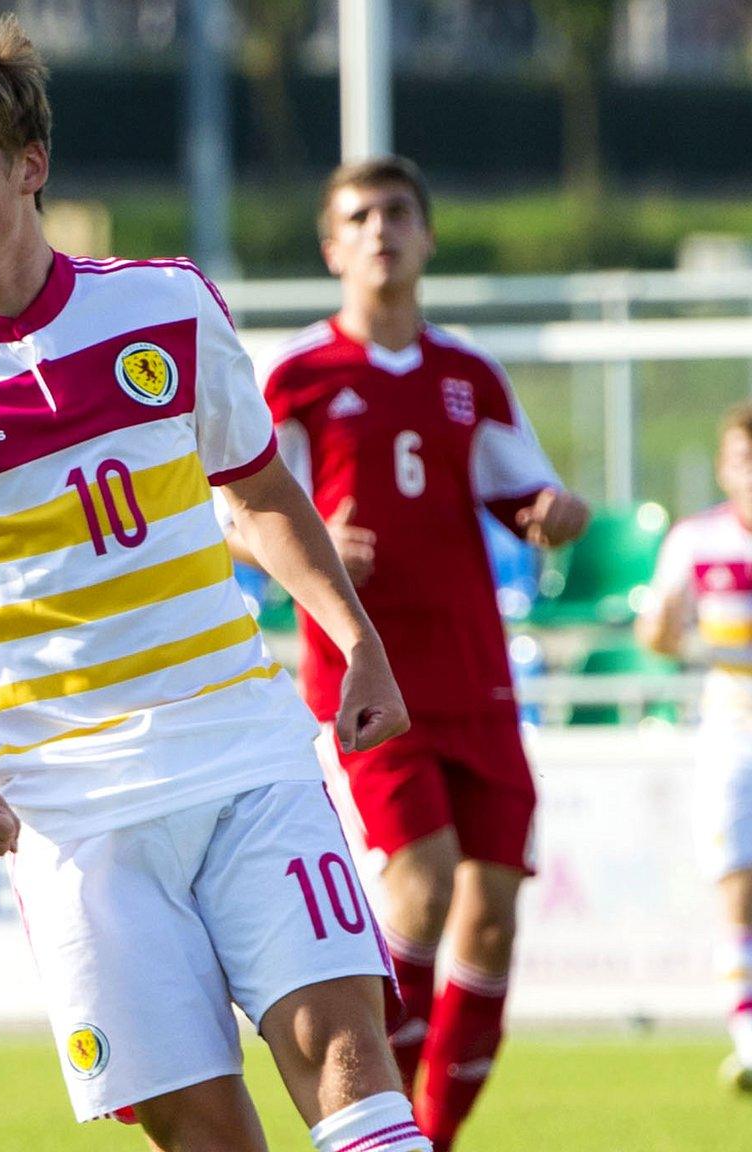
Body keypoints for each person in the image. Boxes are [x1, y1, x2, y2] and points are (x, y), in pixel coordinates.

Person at [0, 5, 421, 1151]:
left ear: (30, 164)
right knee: (200, 1130)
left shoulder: (166, 304)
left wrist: (353, 639)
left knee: (347, 1059)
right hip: (72, 821)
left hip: (244, 759)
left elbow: (256, 492)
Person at [237, 155, 591, 1149]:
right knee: (423, 879)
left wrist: (551, 514)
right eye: (358, 216)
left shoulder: (466, 375)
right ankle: (371, 1117)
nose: (380, 230)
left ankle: (426, 1136)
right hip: (365, 678)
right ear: (330, 247)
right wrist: (305, 539)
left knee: (491, 918)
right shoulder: (299, 374)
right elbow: (232, 510)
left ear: (426, 237)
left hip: (475, 674)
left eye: (397, 213)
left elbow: (522, 492)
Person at [636, 404, 752, 1095]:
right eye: (742, 456)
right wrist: (668, 630)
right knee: (736, 884)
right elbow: (658, 630)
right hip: (730, 728)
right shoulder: (694, 538)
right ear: (722, 464)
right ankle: (746, 1033)